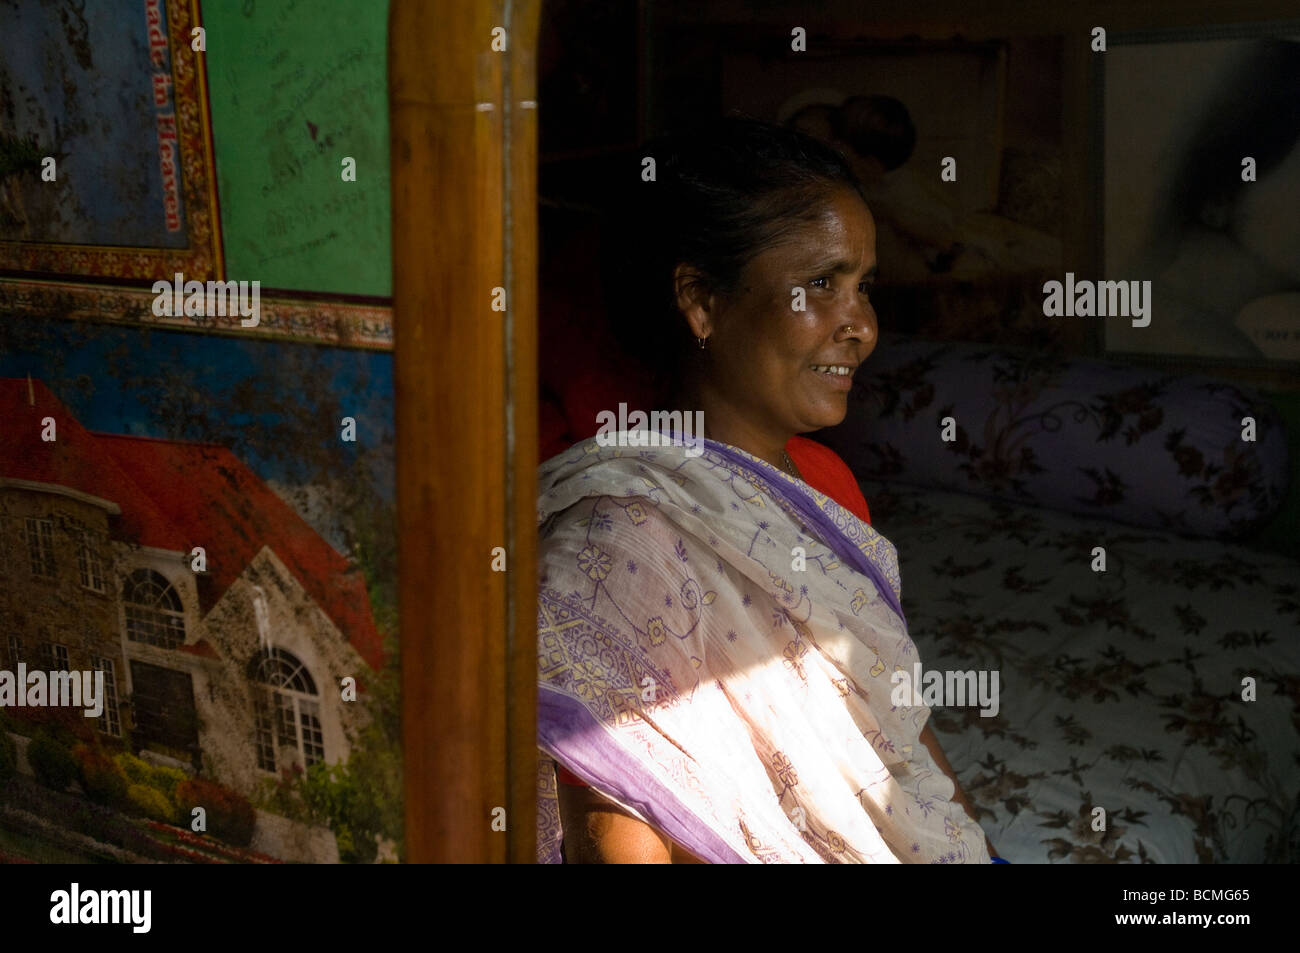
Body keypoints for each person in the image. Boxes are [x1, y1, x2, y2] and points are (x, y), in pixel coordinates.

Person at [536, 115, 997, 863]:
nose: (862, 329)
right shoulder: (614, 531)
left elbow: (889, 717)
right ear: (701, 301)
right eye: (821, 284)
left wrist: (971, 846)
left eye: (864, 287)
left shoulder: (828, 482)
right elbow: (618, 807)